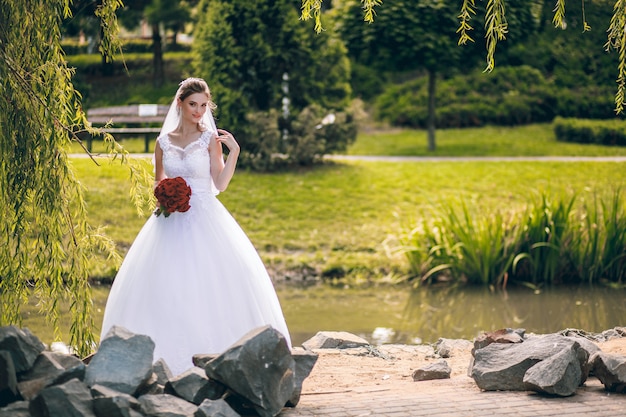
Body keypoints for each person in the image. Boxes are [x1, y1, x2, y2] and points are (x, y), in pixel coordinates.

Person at [100, 78, 292, 375]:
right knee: (167, 285)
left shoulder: (208, 140)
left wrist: (234, 152)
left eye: (204, 106)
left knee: (212, 282)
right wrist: (164, 195)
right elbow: (158, 181)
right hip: (170, 219)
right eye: (193, 105)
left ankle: (225, 359)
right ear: (180, 103)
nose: (199, 111)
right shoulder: (163, 142)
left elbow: (220, 184)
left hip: (205, 215)